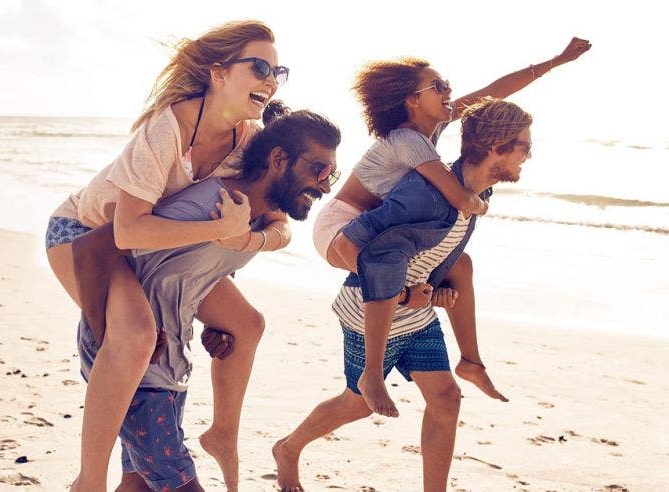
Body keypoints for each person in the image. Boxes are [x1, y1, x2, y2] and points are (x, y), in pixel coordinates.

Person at [45, 20, 293, 490]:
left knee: (246, 324)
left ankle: (219, 435)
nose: (270, 80)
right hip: (85, 238)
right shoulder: (167, 128)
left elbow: (277, 223)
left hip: (155, 256)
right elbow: (127, 229)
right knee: (137, 338)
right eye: (259, 66)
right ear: (219, 73)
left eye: (278, 72)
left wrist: (248, 242)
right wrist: (220, 228)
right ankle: (89, 479)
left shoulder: (250, 143)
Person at [312, 37, 592, 416]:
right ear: (413, 100)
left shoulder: (432, 130)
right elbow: (459, 198)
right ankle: (373, 375)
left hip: (371, 224)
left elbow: (491, 93)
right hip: (341, 228)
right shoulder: (408, 140)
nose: (449, 91)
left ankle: (471, 363)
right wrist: (479, 204)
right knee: (391, 275)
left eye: (447, 85)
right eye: (438, 87)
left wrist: (556, 61)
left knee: (459, 267)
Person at [73, 105, 341, 491]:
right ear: (278, 159)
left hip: (171, 364)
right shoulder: (208, 206)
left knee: (139, 486)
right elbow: (91, 250)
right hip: (138, 363)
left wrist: (217, 324)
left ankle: (222, 434)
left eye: (331, 174)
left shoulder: (254, 216)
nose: (325, 185)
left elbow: (192, 272)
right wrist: (107, 342)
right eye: (317, 170)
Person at [274, 98, 533, 491]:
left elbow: (436, 253)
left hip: (416, 313)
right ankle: (289, 449)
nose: (529, 156)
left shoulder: (476, 195)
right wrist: (406, 291)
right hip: (370, 309)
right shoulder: (423, 193)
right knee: (357, 403)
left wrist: (438, 288)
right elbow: (348, 248)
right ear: (497, 147)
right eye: (524, 147)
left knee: (446, 399)